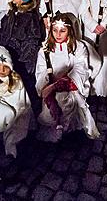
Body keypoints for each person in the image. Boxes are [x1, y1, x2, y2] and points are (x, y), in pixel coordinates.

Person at [34, 13, 99, 143]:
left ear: (69, 31)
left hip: (71, 88)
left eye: (62, 31)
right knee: (50, 117)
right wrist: (49, 82)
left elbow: (81, 67)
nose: (58, 34)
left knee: (72, 108)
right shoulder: (45, 50)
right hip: (52, 90)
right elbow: (40, 71)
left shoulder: (78, 47)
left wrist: (69, 79)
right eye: (55, 30)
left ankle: (71, 133)